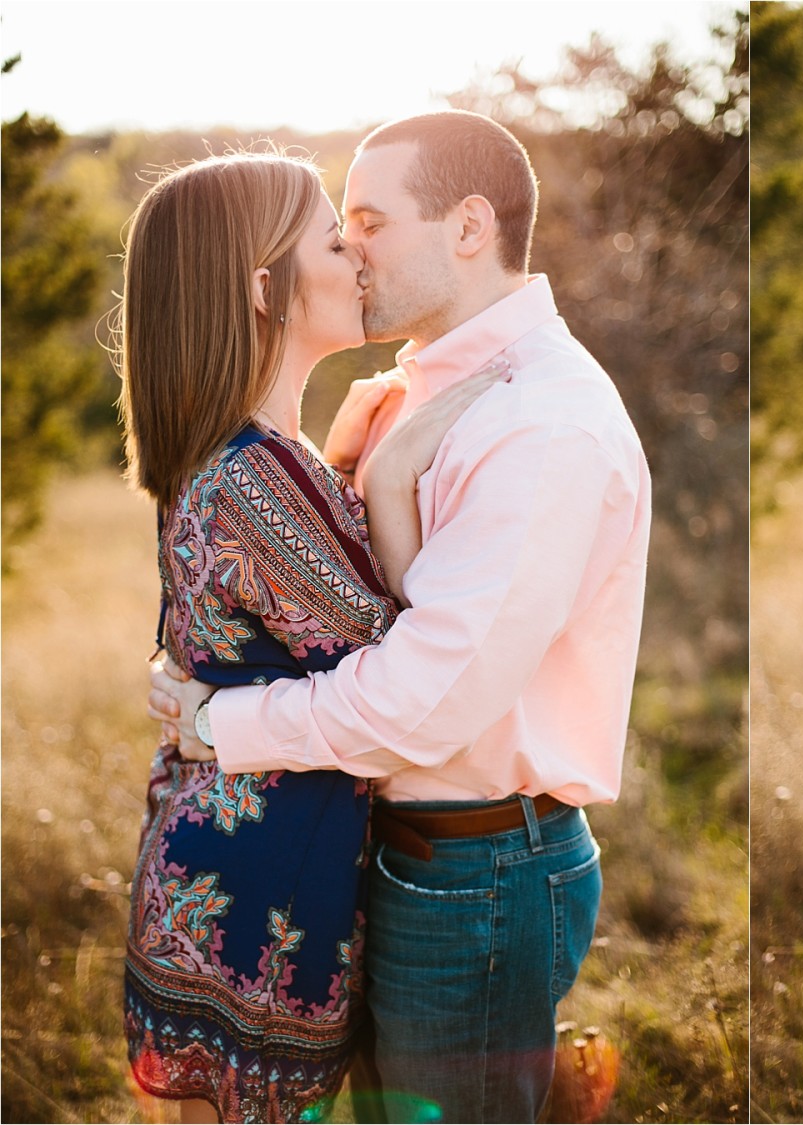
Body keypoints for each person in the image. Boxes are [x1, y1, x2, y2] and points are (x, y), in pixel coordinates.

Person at [149, 110, 652, 1124]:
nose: (350, 246)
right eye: (341, 224)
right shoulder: (411, 396)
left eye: (370, 219)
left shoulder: (539, 421)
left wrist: (218, 722)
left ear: (470, 227)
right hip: (396, 854)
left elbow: (423, 703)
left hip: (476, 872)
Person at [117, 150, 498, 1123]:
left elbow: (285, 615)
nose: (359, 255)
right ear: (263, 288)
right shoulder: (256, 477)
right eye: (334, 239)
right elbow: (404, 666)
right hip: (254, 903)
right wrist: (392, 471)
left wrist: (341, 466)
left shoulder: (248, 456)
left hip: (232, 866)